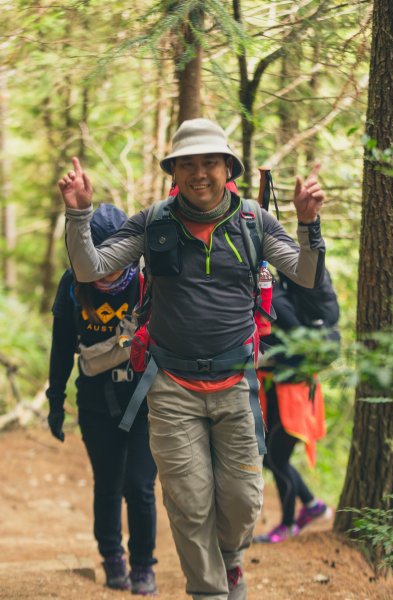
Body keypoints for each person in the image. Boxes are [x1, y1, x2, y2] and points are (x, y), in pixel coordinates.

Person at [59, 118, 326, 600]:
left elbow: (305, 274)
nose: (198, 173)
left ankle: (231, 562)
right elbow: (90, 267)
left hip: (237, 384)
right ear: (174, 171)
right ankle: (209, 592)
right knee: (189, 503)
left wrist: (309, 225)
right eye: (188, 164)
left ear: (228, 169)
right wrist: (79, 216)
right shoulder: (153, 221)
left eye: (209, 163)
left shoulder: (254, 222)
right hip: (170, 387)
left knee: (243, 501)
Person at [46, 203, 158, 595]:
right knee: (108, 483)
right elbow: (62, 347)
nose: (104, 268)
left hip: (145, 401)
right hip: (95, 401)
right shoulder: (72, 284)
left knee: (140, 486)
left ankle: (144, 564)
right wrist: (55, 399)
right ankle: (113, 558)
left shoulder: (146, 281)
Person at [253, 270, 340, 543]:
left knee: (276, 458)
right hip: (284, 388)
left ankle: (289, 523)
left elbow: (298, 341)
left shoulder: (276, 301)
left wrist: (269, 359)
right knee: (273, 456)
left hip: (293, 392)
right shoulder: (273, 298)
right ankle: (312, 505)